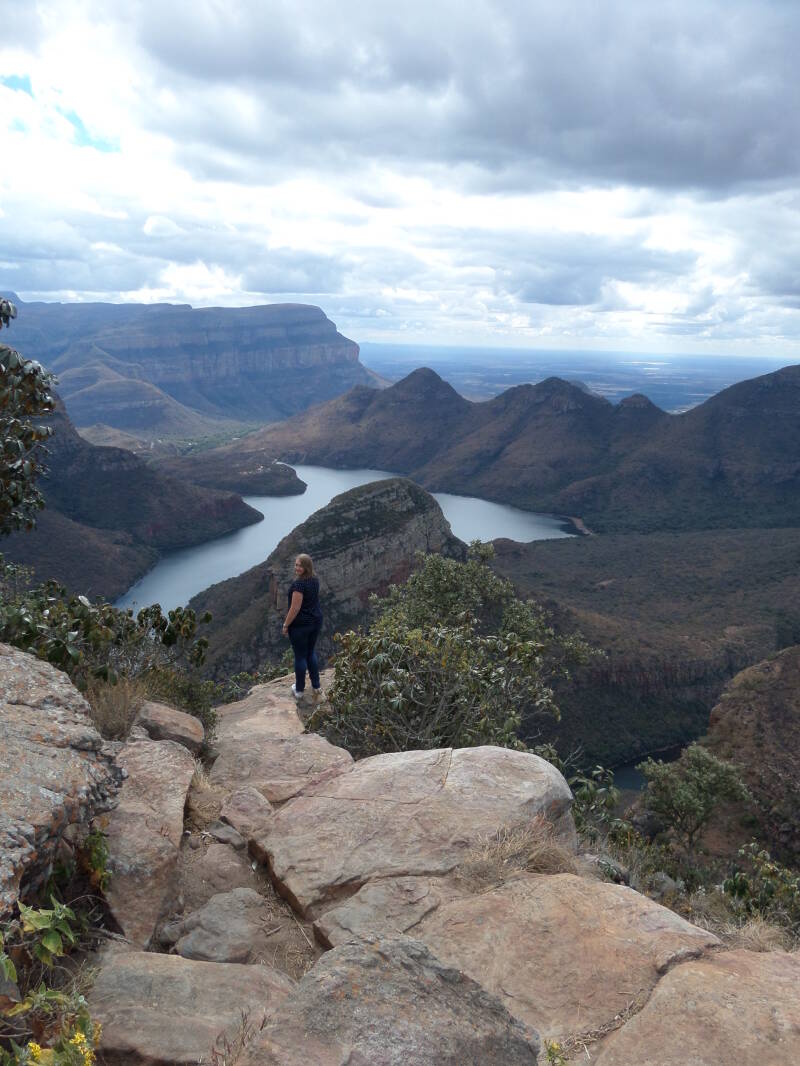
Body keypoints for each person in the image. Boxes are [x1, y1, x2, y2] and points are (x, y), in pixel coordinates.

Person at [282, 553, 324, 702]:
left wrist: (286, 625)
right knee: (310, 652)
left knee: (300, 656)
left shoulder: (298, 585)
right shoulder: (315, 580)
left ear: (307, 567)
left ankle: (299, 690)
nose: (297, 568)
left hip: (301, 626)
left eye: (300, 565)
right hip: (316, 621)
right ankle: (316, 686)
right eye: (296, 565)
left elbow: (295, 608)